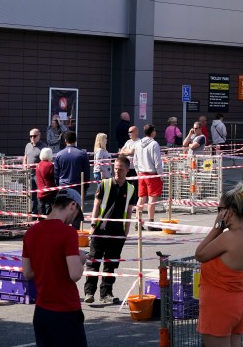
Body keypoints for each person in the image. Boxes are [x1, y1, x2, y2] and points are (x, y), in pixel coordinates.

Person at [21, 190, 90, 347]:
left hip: (42, 312)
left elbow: (27, 273)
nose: (74, 220)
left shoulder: (31, 232)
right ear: (72, 205)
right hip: (66, 310)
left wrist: (52, 265)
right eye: (75, 215)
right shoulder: (68, 233)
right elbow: (75, 274)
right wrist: (80, 260)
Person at [194, 185, 243, 347]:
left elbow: (200, 254)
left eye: (219, 210)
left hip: (218, 306)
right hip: (239, 305)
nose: (217, 214)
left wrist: (216, 228)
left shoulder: (229, 237)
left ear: (228, 212)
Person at [84, 155, 138, 304]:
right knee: (94, 261)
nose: (117, 172)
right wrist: (93, 226)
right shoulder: (105, 184)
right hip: (100, 230)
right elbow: (96, 206)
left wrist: (126, 231)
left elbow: (129, 210)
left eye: (120, 169)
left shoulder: (131, 188)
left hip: (117, 232)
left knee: (110, 264)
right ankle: (89, 292)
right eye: (115, 169)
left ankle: (106, 293)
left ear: (127, 170)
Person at [53, 131, 92, 228]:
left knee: (63, 211)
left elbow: (56, 173)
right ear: (76, 140)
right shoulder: (82, 154)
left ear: (65, 141)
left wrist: (58, 186)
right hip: (77, 187)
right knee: (75, 212)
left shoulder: (59, 155)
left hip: (63, 186)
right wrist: (85, 187)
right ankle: (75, 236)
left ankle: (61, 235)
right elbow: (87, 173)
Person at [135, 124, 164, 229]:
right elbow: (157, 161)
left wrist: (138, 172)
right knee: (152, 199)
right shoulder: (154, 144)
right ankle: (151, 223)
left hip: (141, 174)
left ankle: (138, 222)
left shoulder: (138, 143)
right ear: (152, 132)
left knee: (141, 198)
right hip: (152, 174)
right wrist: (160, 174)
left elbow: (135, 160)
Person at [24, 128, 47, 216]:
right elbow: (25, 157)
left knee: (40, 194)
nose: (32, 138)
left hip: (39, 174)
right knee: (32, 194)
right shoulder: (28, 145)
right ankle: (34, 212)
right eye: (30, 136)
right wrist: (24, 166)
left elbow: (46, 161)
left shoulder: (43, 147)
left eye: (34, 136)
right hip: (29, 173)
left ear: (39, 136)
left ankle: (40, 213)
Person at [35, 147, 56, 216]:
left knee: (41, 214)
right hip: (49, 193)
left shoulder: (38, 165)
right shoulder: (50, 165)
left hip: (40, 193)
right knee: (49, 215)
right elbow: (54, 178)